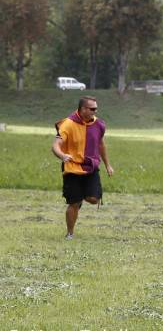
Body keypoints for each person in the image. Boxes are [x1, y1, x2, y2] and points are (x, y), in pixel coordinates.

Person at [51, 96, 113, 239]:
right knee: (74, 203)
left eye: (96, 108)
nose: (95, 111)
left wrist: (108, 165)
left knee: (93, 199)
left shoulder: (98, 125)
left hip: (91, 167)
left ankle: (81, 196)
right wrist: (62, 156)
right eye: (92, 109)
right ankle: (70, 233)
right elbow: (55, 145)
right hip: (72, 168)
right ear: (83, 109)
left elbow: (101, 144)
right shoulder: (68, 123)